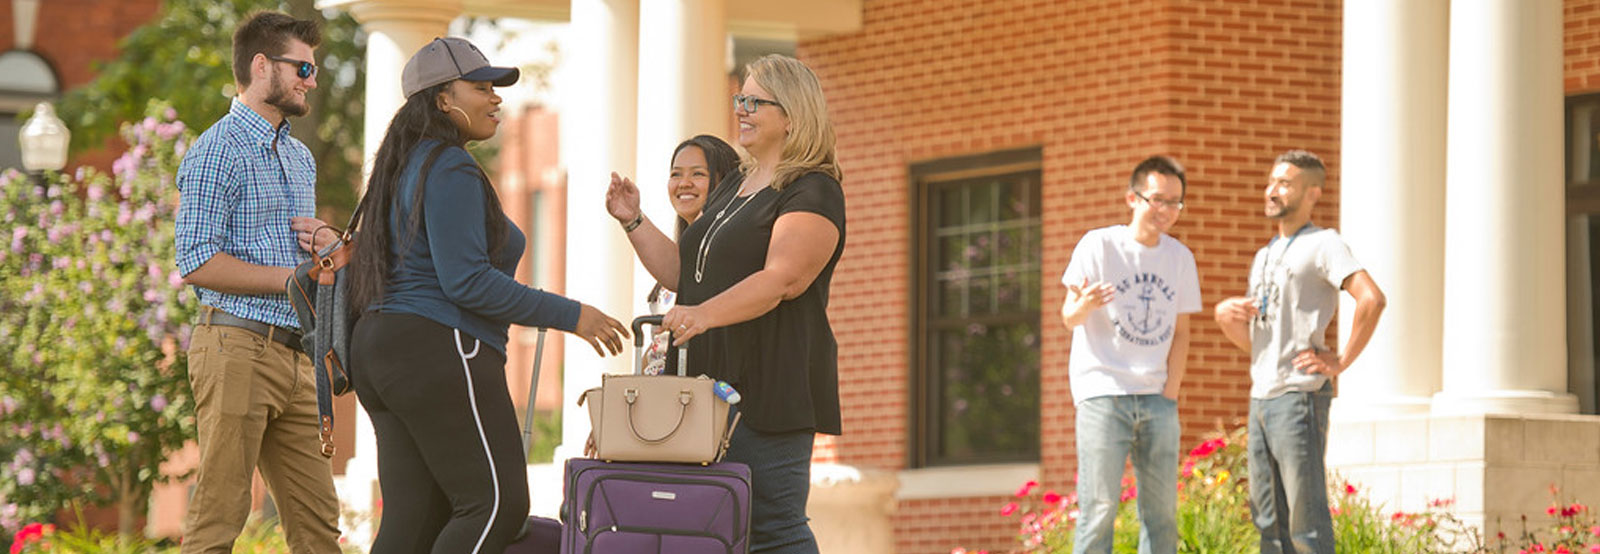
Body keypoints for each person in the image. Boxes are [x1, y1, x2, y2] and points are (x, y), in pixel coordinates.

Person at [345, 37, 628, 553]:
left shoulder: (401, 167)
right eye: (480, 87)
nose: (495, 97)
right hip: (439, 347)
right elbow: (467, 281)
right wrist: (574, 315)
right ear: (442, 100)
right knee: (497, 506)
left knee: (411, 518)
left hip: (380, 349)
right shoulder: (448, 165)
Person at [605, 53, 846, 554]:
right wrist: (634, 220)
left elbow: (784, 279)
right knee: (707, 524)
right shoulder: (736, 186)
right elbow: (688, 279)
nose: (742, 109)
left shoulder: (813, 189)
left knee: (773, 529)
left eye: (756, 101)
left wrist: (702, 315)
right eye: (740, 98)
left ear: (793, 115)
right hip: (703, 387)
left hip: (768, 386)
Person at [173, 11, 341, 553]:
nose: (310, 81)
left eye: (313, 71)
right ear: (261, 65)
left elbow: (308, 262)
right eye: (303, 68)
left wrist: (329, 245)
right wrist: (292, 277)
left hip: (298, 357)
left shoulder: (299, 157)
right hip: (235, 348)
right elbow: (195, 259)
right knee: (218, 521)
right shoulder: (215, 149)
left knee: (319, 527)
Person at [1214, 150, 1386, 554]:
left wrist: (1340, 360)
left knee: (1305, 524)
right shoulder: (1265, 255)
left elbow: (1372, 299)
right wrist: (1227, 319)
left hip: (1299, 398)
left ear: (1313, 193)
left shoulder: (1324, 244)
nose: (1272, 190)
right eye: (1272, 181)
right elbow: (1261, 344)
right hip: (1262, 398)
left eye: (1285, 183)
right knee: (1268, 523)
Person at [1060, 156, 1200, 554]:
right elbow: (1069, 317)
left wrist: (1169, 394)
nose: (1166, 211)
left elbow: (1182, 333)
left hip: (1157, 399)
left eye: (1175, 203)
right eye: (1158, 200)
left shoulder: (1179, 258)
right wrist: (1085, 306)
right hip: (1103, 392)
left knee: (1161, 514)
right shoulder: (1099, 244)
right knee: (1099, 506)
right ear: (1132, 198)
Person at [642, 135, 741, 375]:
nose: (684, 183)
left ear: (725, 182)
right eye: (676, 174)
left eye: (698, 174)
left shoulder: (731, 253)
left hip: (703, 392)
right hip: (662, 394)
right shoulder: (676, 253)